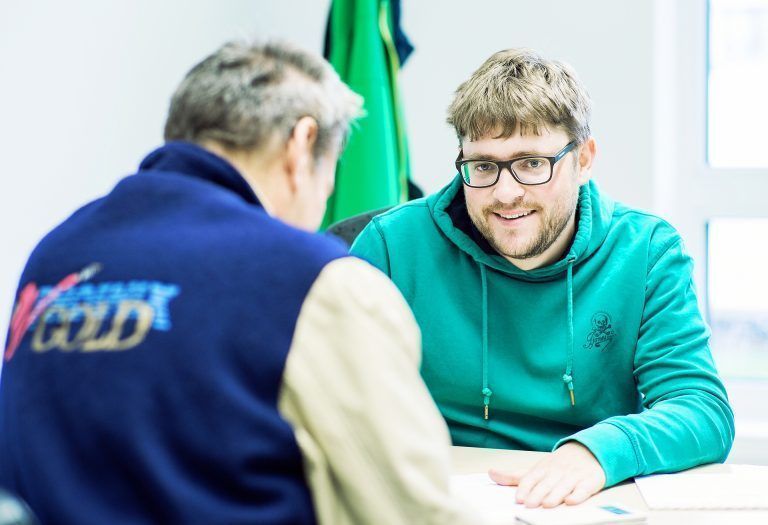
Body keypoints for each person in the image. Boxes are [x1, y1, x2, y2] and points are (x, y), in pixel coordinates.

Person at [0, 41, 474, 525]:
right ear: (301, 144)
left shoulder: (54, 257)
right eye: (331, 173)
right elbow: (412, 513)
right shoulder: (314, 281)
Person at [351, 48, 735, 508]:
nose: (505, 193)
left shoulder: (647, 250)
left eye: (532, 163)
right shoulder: (393, 245)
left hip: (581, 501)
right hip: (431, 498)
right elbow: (326, 397)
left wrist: (596, 452)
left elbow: (702, 409)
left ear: (585, 159)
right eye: (484, 166)